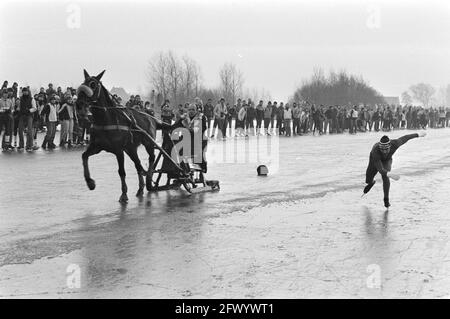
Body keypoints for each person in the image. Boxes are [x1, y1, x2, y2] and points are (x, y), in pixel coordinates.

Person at [363, 132, 427, 208]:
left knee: (385, 177)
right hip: (375, 160)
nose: (384, 152)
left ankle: (386, 199)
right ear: (379, 148)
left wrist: (418, 135)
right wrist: (389, 174)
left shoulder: (395, 143)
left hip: (387, 160)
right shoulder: (375, 151)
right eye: (382, 150)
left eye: (386, 149)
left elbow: (406, 137)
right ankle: (371, 183)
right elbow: (380, 169)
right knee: (368, 180)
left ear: (390, 146)